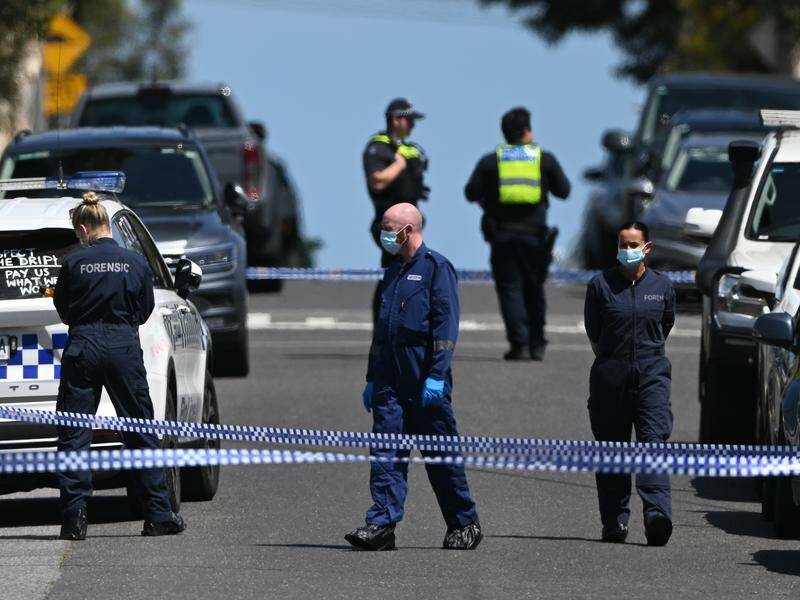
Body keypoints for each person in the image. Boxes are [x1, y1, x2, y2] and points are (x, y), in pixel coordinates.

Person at [345, 203, 482, 551]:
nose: (383, 234)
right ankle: (381, 525)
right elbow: (382, 331)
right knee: (386, 453)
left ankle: (464, 523)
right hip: (390, 378)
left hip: (423, 375)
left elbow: (445, 326)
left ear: (408, 230)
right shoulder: (392, 272)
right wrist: (372, 377)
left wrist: (437, 374)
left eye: (388, 228)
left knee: (440, 455)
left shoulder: (436, 268)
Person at [53, 192, 185, 541]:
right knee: (140, 429)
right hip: (123, 347)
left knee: (74, 434)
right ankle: (158, 514)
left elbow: (63, 309)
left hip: (83, 347)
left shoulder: (73, 263)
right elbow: (144, 309)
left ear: (84, 228)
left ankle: (74, 519)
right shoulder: (135, 262)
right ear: (107, 225)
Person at [583, 221, 675, 546]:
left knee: (653, 443)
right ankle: (615, 520)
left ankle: (657, 515)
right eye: (623, 244)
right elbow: (594, 332)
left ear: (646, 248)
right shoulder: (600, 285)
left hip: (651, 376)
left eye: (634, 245)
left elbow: (665, 325)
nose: (627, 250)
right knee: (612, 448)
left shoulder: (662, 286)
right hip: (610, 377)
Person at [464, 107, 570, 361]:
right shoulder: (544, 160)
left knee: (510, 290)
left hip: (502, 236)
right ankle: (537, 344)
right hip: (535, 238)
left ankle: (519, 345)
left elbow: (470, 193)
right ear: (527, 131)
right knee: (535, 289)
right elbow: (564, 191)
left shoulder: (491, 162)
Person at [362, 98, 429, 321]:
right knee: (396, 269)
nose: (413, 126)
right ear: (396, 119)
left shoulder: (410, 150)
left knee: (404, 270)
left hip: (410, 224)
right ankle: (385, 323)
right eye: (409, 120)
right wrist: (399, 164)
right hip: (389, 225)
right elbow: (377, 181)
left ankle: (397, 322)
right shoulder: (378, 148)